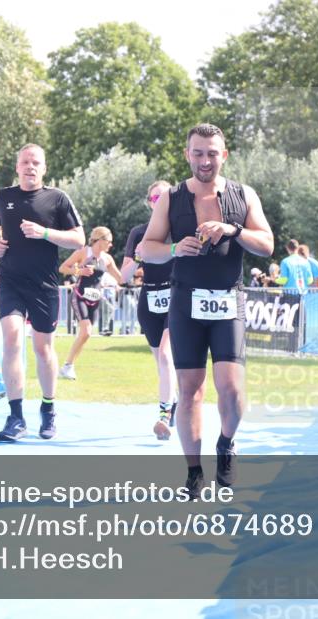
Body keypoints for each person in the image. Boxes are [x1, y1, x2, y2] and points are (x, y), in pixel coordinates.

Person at [138, 123, 274, 493]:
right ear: (187, 155)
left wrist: (233, 230)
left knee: (231, 389)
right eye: (198, 153)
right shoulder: (171, 198)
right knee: (190, 390)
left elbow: (267, 244)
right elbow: (146, 249)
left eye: (212, 153)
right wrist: (173, 249)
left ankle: (226, 444)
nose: (205, 160)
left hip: (229, 301)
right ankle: (194, 472)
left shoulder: (244, 195)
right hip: (186, 303)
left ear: (223, 155)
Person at [0, 144, 85, 442]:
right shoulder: (4, 197)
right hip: (10, 280)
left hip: (44, 285)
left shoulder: (57, 198)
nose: (30, 167)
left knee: (43, 349)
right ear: (17, 167)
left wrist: (45, 233)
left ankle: (48, 408)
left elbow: (79, 239)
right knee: (12, 338)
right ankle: (15, 417)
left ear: (44, 168)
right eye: (25, 162)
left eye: (36, 162)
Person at [120, 180, 178, 440]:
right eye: (155, 198)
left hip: (176, 298)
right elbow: (124, 276)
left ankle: (164, 415)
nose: (160, 201)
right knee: (161, 362)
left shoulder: (181, 230)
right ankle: (172, 402)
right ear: (149, 203)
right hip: (149, 301)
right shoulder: (139, 232)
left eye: (165, 196)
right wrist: (138, 257)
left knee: (166, 356)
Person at [58, 226, 124, 379]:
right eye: (109, 241)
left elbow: (121, 278)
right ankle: (68, 366)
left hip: (95, 299)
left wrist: (137, 263)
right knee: (86, 331)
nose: (111, 245)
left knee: (86, 335)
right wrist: (79, 271)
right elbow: (63, 268)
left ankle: (68, 366)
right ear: (100, 240)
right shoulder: (83, 252)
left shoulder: (107, 259)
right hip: (79, 296)